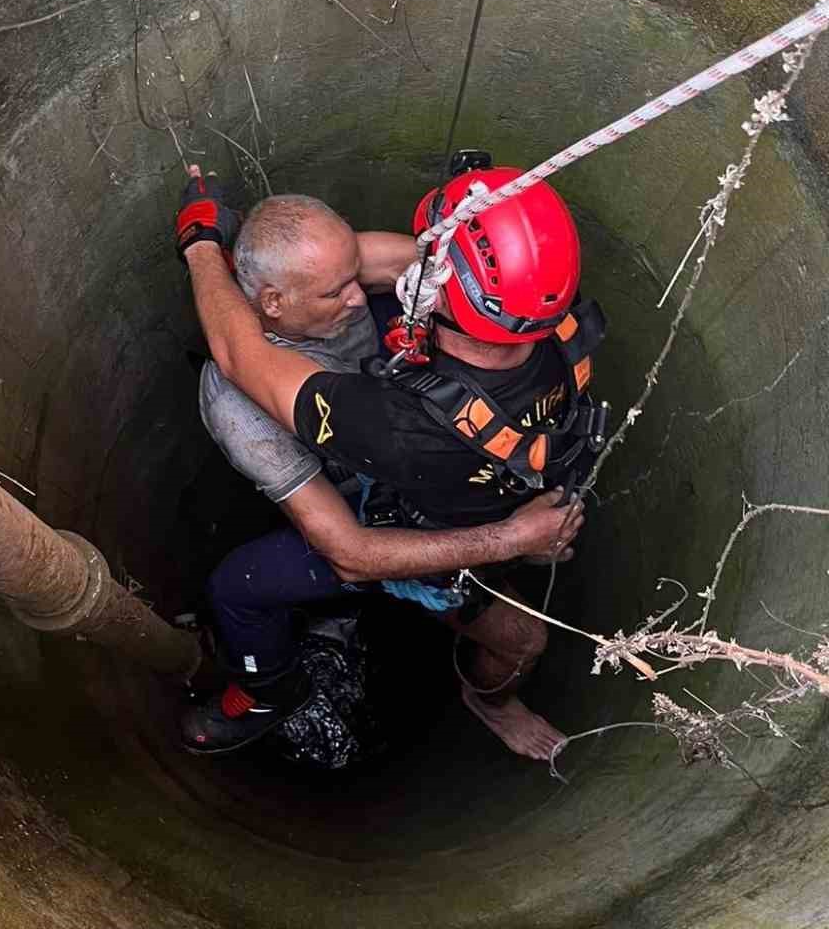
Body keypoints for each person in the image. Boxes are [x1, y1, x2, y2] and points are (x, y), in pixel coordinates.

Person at [175, 162, 606, 761]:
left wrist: (202, 241)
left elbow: (403, 265)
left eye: (355, 271)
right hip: (366, 511)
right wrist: (512, 537)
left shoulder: (341, 287)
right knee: (235, 589)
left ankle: (488, 700)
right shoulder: (239, 404)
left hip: (422, 462)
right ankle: (271, 692)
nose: (362, 295)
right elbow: (350, 552)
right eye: (336, 290)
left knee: (523, 642)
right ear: (274, 301)